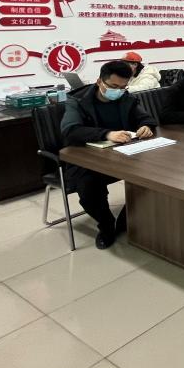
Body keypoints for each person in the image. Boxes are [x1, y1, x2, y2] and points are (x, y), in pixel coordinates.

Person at [61, 60, 156, 249]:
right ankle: (106, 225)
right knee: (88, 189)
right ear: (99, 81)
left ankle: (126, 219)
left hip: (124, 155)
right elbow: (70, 130)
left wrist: (146, 126)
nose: (118, 91)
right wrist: (107, 134)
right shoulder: (78, 101)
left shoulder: (125, 97)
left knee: (155, 176)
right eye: (113, 86)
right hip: (88, 159)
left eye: (123, 87)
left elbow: (146, 118)